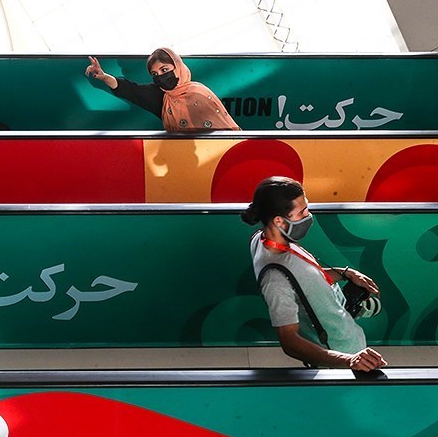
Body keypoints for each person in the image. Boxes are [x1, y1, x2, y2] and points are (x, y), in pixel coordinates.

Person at [240, 176, 387, 372]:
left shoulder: (262, 239)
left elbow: (301, 280)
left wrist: (345, 273)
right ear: (279, 221)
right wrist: (349, 360)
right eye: (302, 212)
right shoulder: (275, 279)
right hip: (341, 359)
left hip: (348, 340)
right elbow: (290, 341)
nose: (308, 215)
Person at [84, 47, 240, 132]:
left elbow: (225, 130)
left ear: (177, 67)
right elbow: (128, 89)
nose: (160, 76)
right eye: (154, 74)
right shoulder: (160, 96)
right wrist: (103, 77)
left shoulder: (199, 92)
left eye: (164, 70)